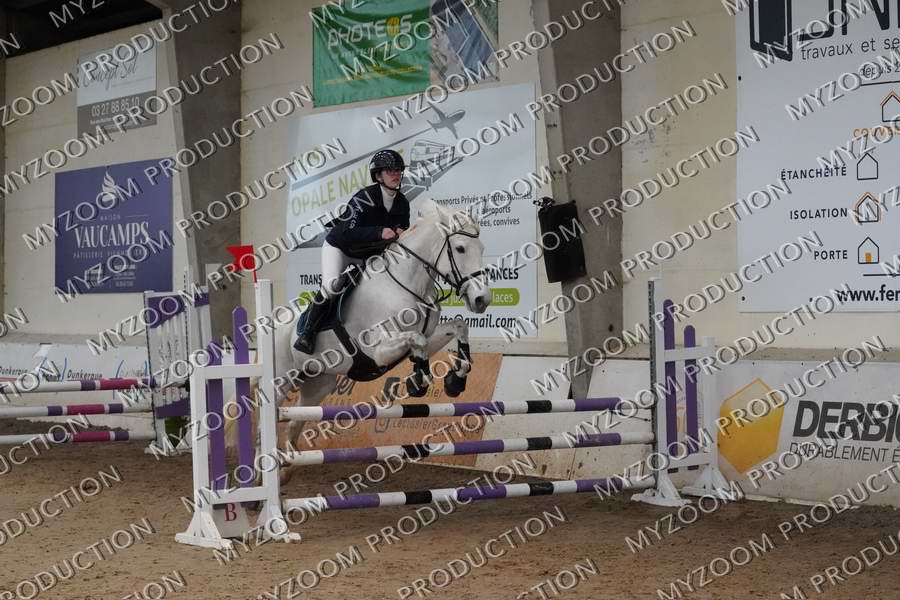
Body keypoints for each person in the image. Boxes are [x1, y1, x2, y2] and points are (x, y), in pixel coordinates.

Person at [293, 149, 410, 354]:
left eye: (398, 170)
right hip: (340, 248)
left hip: (367, 254)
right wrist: (378, 231)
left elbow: (402, 227)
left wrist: (402, 232)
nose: (396, 174)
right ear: (378, 176)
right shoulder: (364, 197)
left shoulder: (402, 202)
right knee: (331, 285)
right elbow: (348, 231)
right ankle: (307, 333)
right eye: (390, 170)